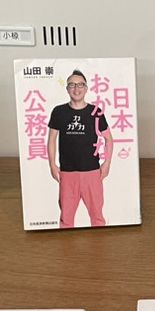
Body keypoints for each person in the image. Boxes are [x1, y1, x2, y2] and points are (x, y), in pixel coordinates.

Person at [47, 70, 113, 228]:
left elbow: (108, 139)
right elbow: (51, 140)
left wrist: (107, 163)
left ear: (86, 88)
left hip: (92, 172)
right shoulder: (59, 111)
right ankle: (66, 244)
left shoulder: (95, 112)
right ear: (67, 89)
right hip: (67, 173)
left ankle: (99, 243)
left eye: (80, 85)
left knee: (97, 217)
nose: (76, 89)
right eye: (72, 85)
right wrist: (52, 165)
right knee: (66, 219)